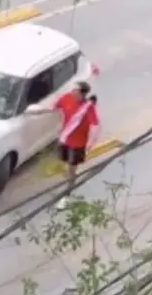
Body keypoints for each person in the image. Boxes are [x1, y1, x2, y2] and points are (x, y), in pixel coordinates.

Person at [54, 81, 100, 210]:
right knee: (64, 164)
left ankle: (66, 195)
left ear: (81, 93)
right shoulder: (66, 98)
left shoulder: (88, 108)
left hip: (78, 144)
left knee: (71, 169)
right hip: (65, 140)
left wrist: (90, 143)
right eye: (72, 89)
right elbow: (54, 107)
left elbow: (94, 125)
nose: (72, 91)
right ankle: (68, 180)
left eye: (75, 90)